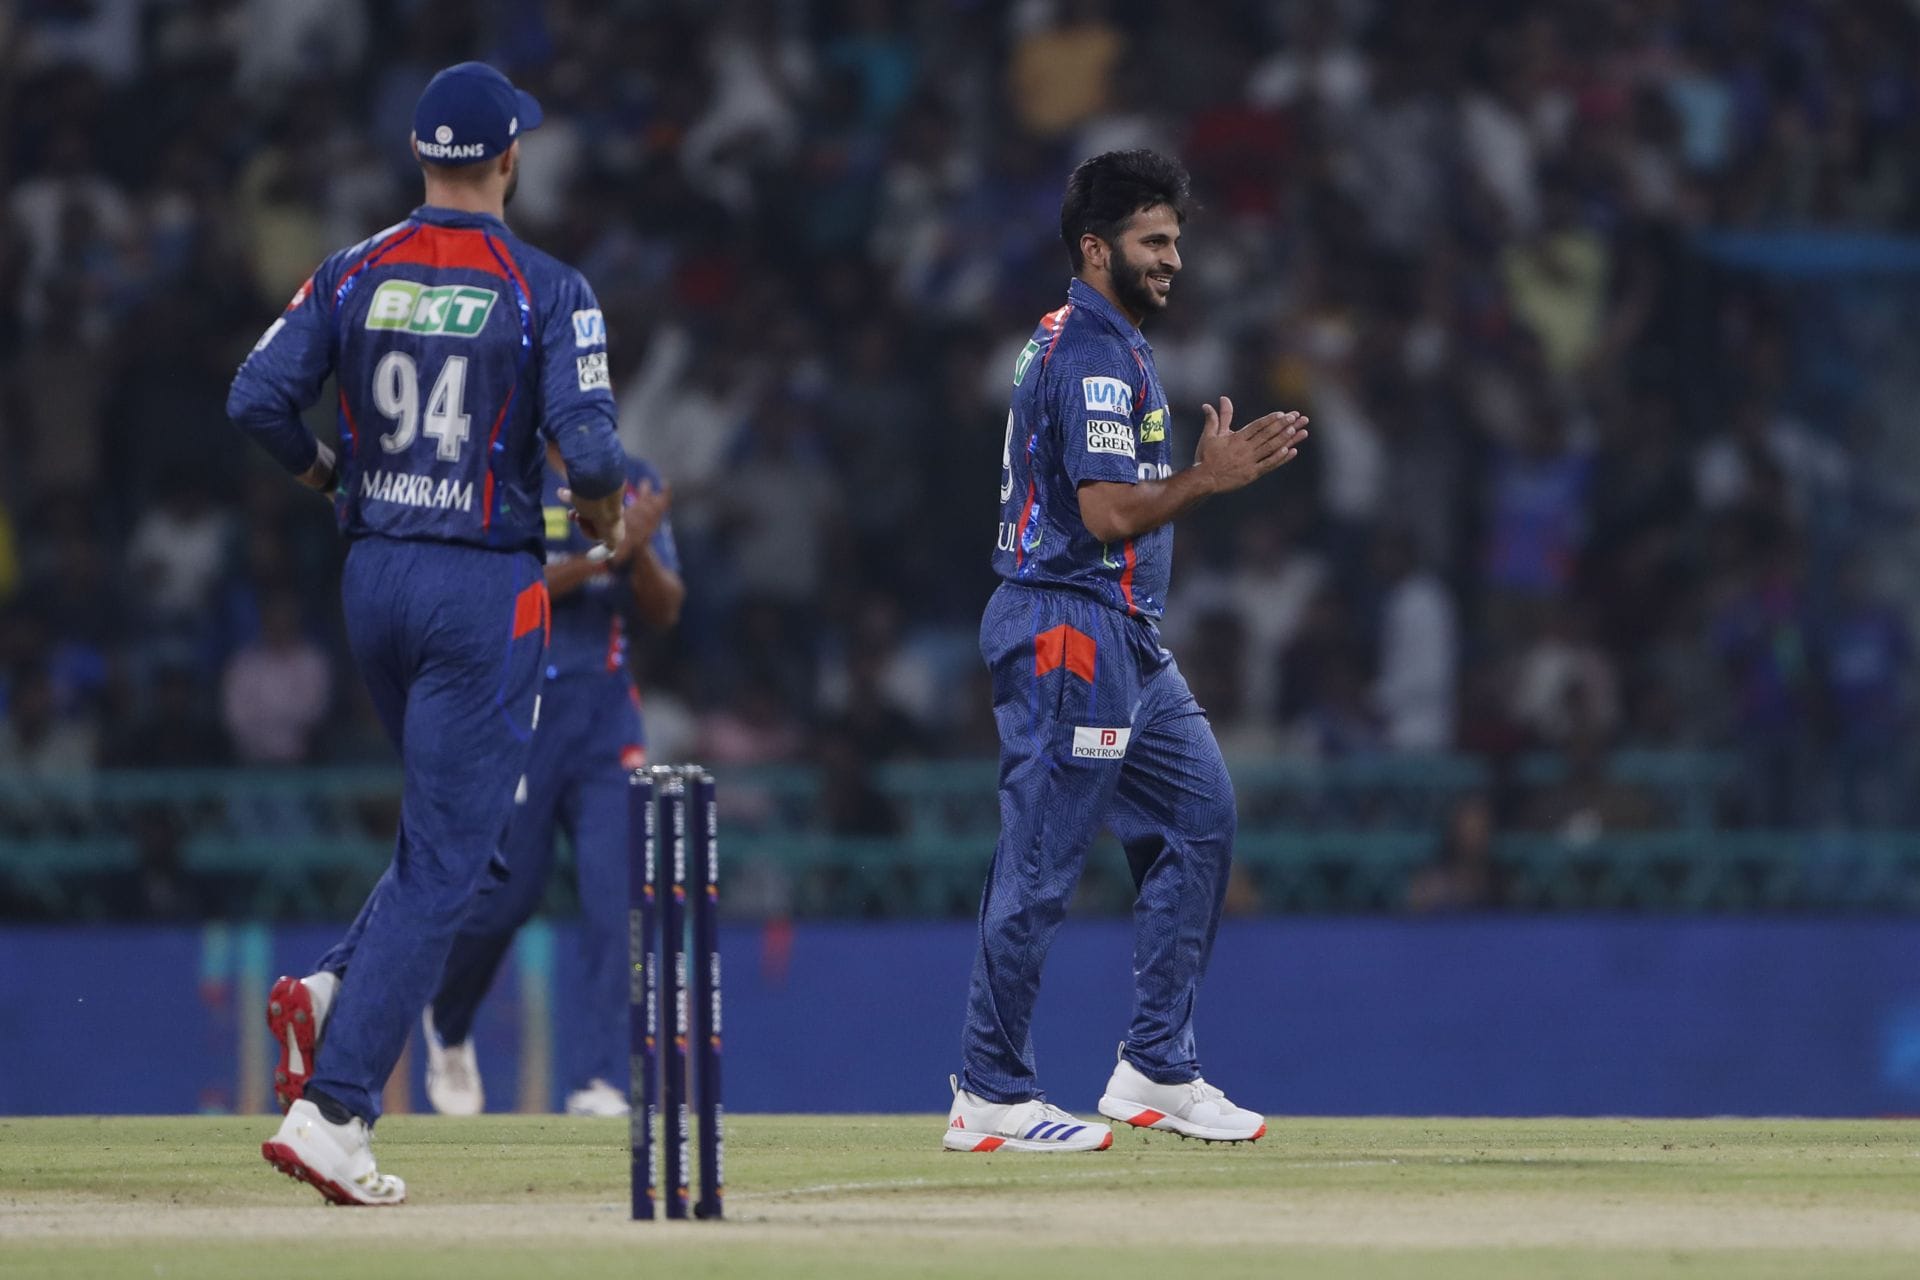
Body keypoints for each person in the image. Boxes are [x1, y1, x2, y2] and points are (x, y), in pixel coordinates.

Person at [227, 62, 629, 1205]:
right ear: (509, 157)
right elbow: (595, 453)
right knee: (455, 850)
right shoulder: (545, 285)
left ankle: (329, 990)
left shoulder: (354, 268)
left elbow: (255, 398)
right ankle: (336, 1110)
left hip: (373, 577)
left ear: (420, 154)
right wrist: (602, 517)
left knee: (459, 834)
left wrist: (326, 475)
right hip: (480, 586)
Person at [948, 150, 1308, 1152]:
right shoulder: (1093, 356)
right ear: (1096, 248)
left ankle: (1155, 1065)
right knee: (1041, 861)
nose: (1173, 259)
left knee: (1201, 815)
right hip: (1070, 627)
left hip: (1124, 636)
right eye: (1154, 241)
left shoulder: (1099, 341)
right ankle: (990, 1092)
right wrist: (1206, 480)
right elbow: (1107, 512)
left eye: (1176, 240)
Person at [422, 443, 681, 1118]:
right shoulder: (507, 473)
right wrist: (607, 551)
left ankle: (600, 1079)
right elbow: (509, 591)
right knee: (507, 896)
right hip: (522, 707)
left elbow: (666, 608)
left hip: (607, 717)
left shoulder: (634, 477)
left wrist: (639, 553)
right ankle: (446, 1021)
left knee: (618, 898)